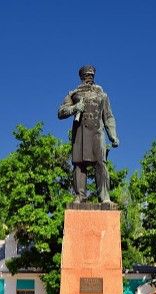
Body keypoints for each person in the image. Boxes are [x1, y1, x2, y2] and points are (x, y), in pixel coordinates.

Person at [58, 65, 120, 204]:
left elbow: (108, 116)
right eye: (87, 75)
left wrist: (113, 135)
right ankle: (80, 195)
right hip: (80, 134)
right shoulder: (73, 94)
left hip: (97, 133)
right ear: (81, 77)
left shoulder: (102, 95)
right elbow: (61, 112)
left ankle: (104, 197)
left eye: (91, 75)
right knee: (79, 164)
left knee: (101, 163)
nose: (89, 77)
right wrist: (74, 108)